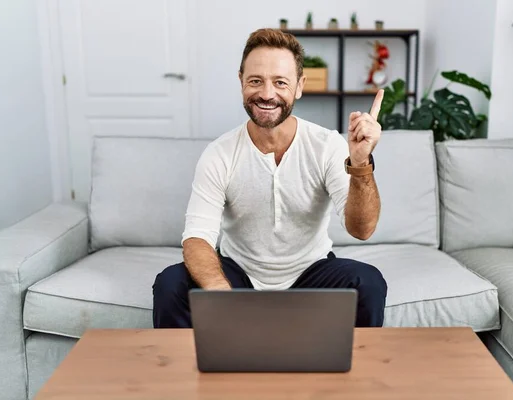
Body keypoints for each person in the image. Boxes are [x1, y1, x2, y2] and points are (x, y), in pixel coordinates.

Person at [152, 28, 387, 328]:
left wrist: (360, 163)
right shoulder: (219, 154)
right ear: (241, 82)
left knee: (368, 282)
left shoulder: (327, 145)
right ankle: (185, 374)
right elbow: (197, 239)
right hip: (238, 275)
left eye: (280, 82)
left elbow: (362, 229)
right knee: (170, 283)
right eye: (255, 81)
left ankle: (353, 375)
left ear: (300, 86)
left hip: (311, 273)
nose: (266, 93)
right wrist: (222, 294)